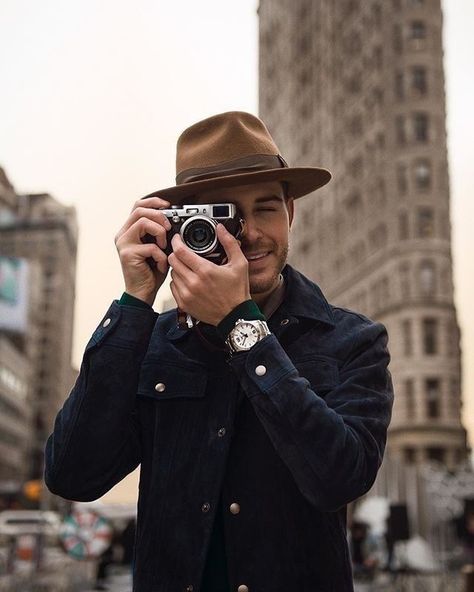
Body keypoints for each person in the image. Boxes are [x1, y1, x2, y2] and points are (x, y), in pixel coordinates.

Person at [44, 111, 394, 592]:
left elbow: (340, 479)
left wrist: (240, 326)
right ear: (182, 227)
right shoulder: (152, 343)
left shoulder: (354, 340)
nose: (248, 233)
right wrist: (134, 304)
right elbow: (72, 476)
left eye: (266, 209)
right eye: (222, 215)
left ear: (291, 213)